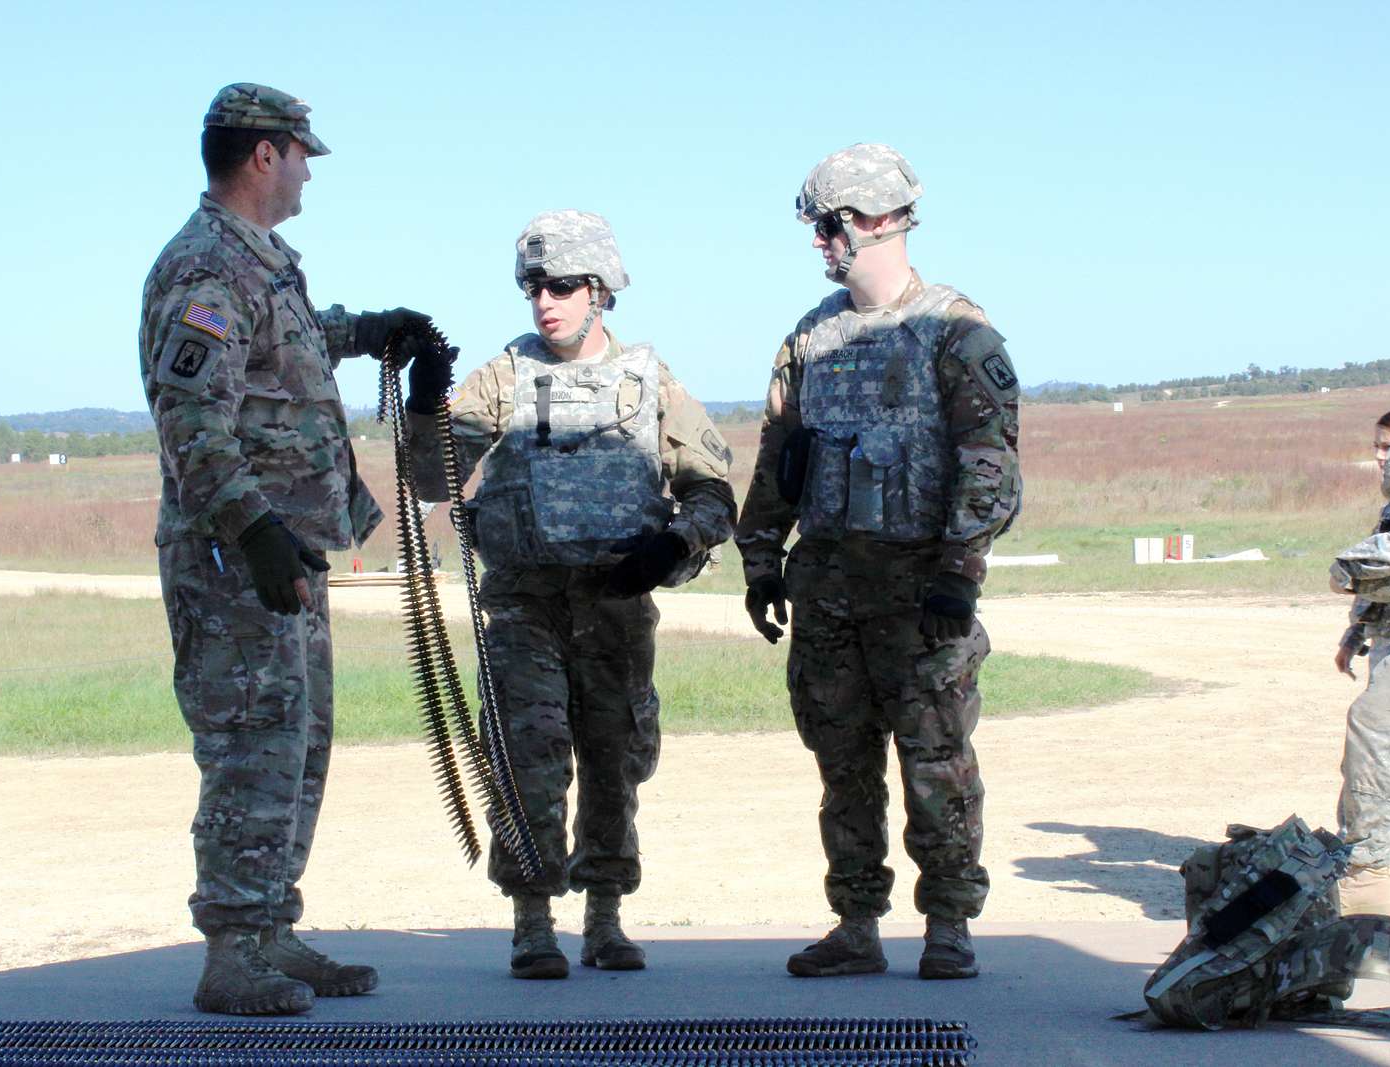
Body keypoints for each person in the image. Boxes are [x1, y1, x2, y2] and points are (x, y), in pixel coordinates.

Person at [140, 82, 438, 1015]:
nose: (310, 169)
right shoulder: (205, 267)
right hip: (239, 562)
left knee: (299, 744)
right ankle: (232, 949)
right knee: (251, 745)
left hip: (285, 558)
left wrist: (368, 333)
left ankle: (270, 928)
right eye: (303, 153)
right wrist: (255, 528)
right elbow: (192, 414)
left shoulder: (259, 265)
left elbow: (287, 351)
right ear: (263, 155)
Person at [404, 210, 735, 978]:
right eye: (532, 288)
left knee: (615, 758)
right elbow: (430, 479)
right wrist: (424, 411)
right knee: (528, 756)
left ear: (600, 289)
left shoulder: (651, 381)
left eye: (560, 286)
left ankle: (606, 916)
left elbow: (714, 491)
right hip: (526, 605)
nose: (544, 302)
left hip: (615, 605)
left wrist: (673, 543)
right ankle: (531, 919)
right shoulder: (502, 379)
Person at [736, 144, 1021, 980]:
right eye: (817, 226)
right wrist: (760, 557)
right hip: (827, 586)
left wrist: (958, 573)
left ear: (884, 220)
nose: (822, 241)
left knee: (937, 761)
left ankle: (949, 926)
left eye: (833, 224)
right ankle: (857, 923)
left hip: (919, 588)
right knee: (843, 764)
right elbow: (779, 456)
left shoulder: (955, 330)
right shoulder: (811, 336)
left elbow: (990, 461)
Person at [1329, 408, 1390, 919]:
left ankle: (1365, 877)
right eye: (1377, 447)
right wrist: (1355, 633)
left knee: (1376, 732)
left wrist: (1348, 568)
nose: (1379, 457)